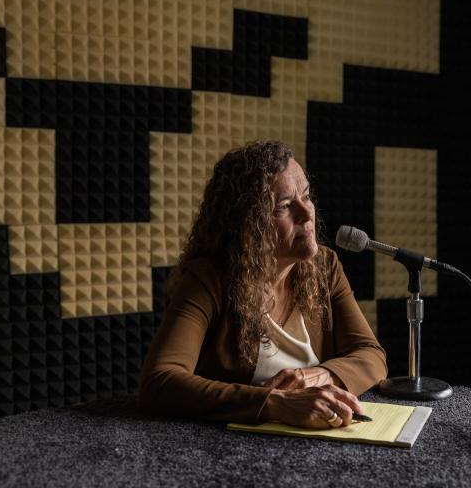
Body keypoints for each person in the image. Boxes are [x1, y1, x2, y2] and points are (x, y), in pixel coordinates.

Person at [139, 140, 388, 429]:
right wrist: (274, 403)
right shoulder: (207, 279)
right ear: (248, 224)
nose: (307, 214)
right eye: (284, 206)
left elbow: (372, 354)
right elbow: (159, 381)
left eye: (306, 197)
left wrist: (321, 375)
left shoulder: (325, 267)